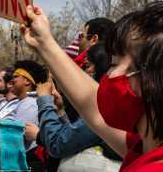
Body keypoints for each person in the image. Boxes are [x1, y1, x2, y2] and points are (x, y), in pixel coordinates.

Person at [21, 0, 163, 171]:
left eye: (115, 62)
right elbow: (93, 107)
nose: (109, 74)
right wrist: (45, 43)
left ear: (154, 80)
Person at [25, 43, 121, 172]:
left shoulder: (108, 106)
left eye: (87, 66)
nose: (85, 71)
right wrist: (60, 111)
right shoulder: (102, 104)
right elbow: (73, 136)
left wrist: (45, 100)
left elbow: (58, 145)